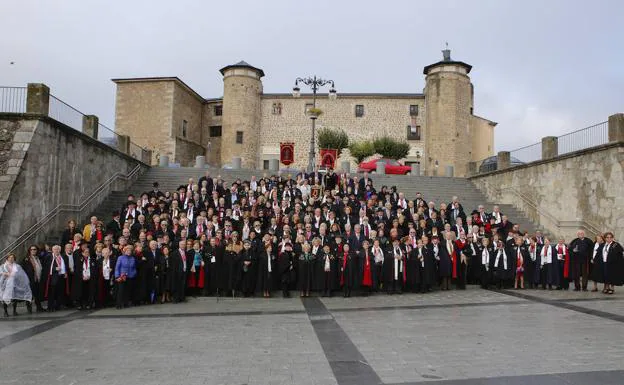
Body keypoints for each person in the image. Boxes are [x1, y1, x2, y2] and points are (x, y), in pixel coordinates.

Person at [44, 245, 70, 311]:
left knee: (60, 292)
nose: (56, 250)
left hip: (61, 276)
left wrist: (66, 272)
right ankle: (50, 306)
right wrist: (55, 268)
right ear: (52, 250)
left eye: (58, 249)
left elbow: (66, 265)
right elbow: (46, 267)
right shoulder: (49, 257)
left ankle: (58, 306)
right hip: (53, 278)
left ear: (60, 250)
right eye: (55, 249)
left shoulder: (63, 256)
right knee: (52, 293)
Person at [21, 245, 45, 312]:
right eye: (32, 249)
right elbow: (23, 269)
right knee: (30, 294)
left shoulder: (39, 258)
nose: (33, 251)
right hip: (30, 279)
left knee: (37, 293)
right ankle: (29, 307)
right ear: (29, 251)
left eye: (35, 249)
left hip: (38, 278)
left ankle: (39, 307)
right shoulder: (26, 259)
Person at [114, 245, 137, 309]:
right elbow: (117, 268)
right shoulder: (120, 258)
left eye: (130, 250)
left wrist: (134, 274)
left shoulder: (133, 258)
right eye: (127, 250)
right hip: (122, 277)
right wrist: (117, 276)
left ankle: (125, 303)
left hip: (130, 277)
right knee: (121, 291)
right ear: (124, 251)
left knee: (127, 291)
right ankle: (118, 304)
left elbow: (134, 268)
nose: (129, 251)